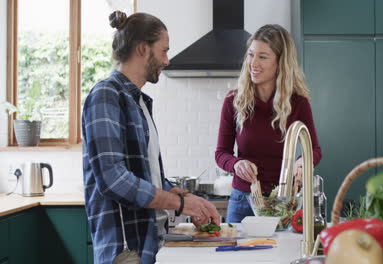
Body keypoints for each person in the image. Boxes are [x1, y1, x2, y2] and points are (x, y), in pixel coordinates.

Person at [82, 11, 220, 264]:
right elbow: (112, 179)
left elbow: (143, 175)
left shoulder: (139, 102)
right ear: (143, 49)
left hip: (148, 242)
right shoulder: (106, 95)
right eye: (164, 51)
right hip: (125, 250)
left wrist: (185, 197)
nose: (167, 61)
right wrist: (178, 203)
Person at [215, 24, 322, 223]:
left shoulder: (298, 103)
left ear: (280, 63)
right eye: (250, 55)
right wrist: (236, 164)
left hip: (283, 201)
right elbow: (221, 153)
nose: (253, 63)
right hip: (243, 201)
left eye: (263, 57)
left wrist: (303, 162)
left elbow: (314, 149)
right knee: (236, 255)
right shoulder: (233, 101)